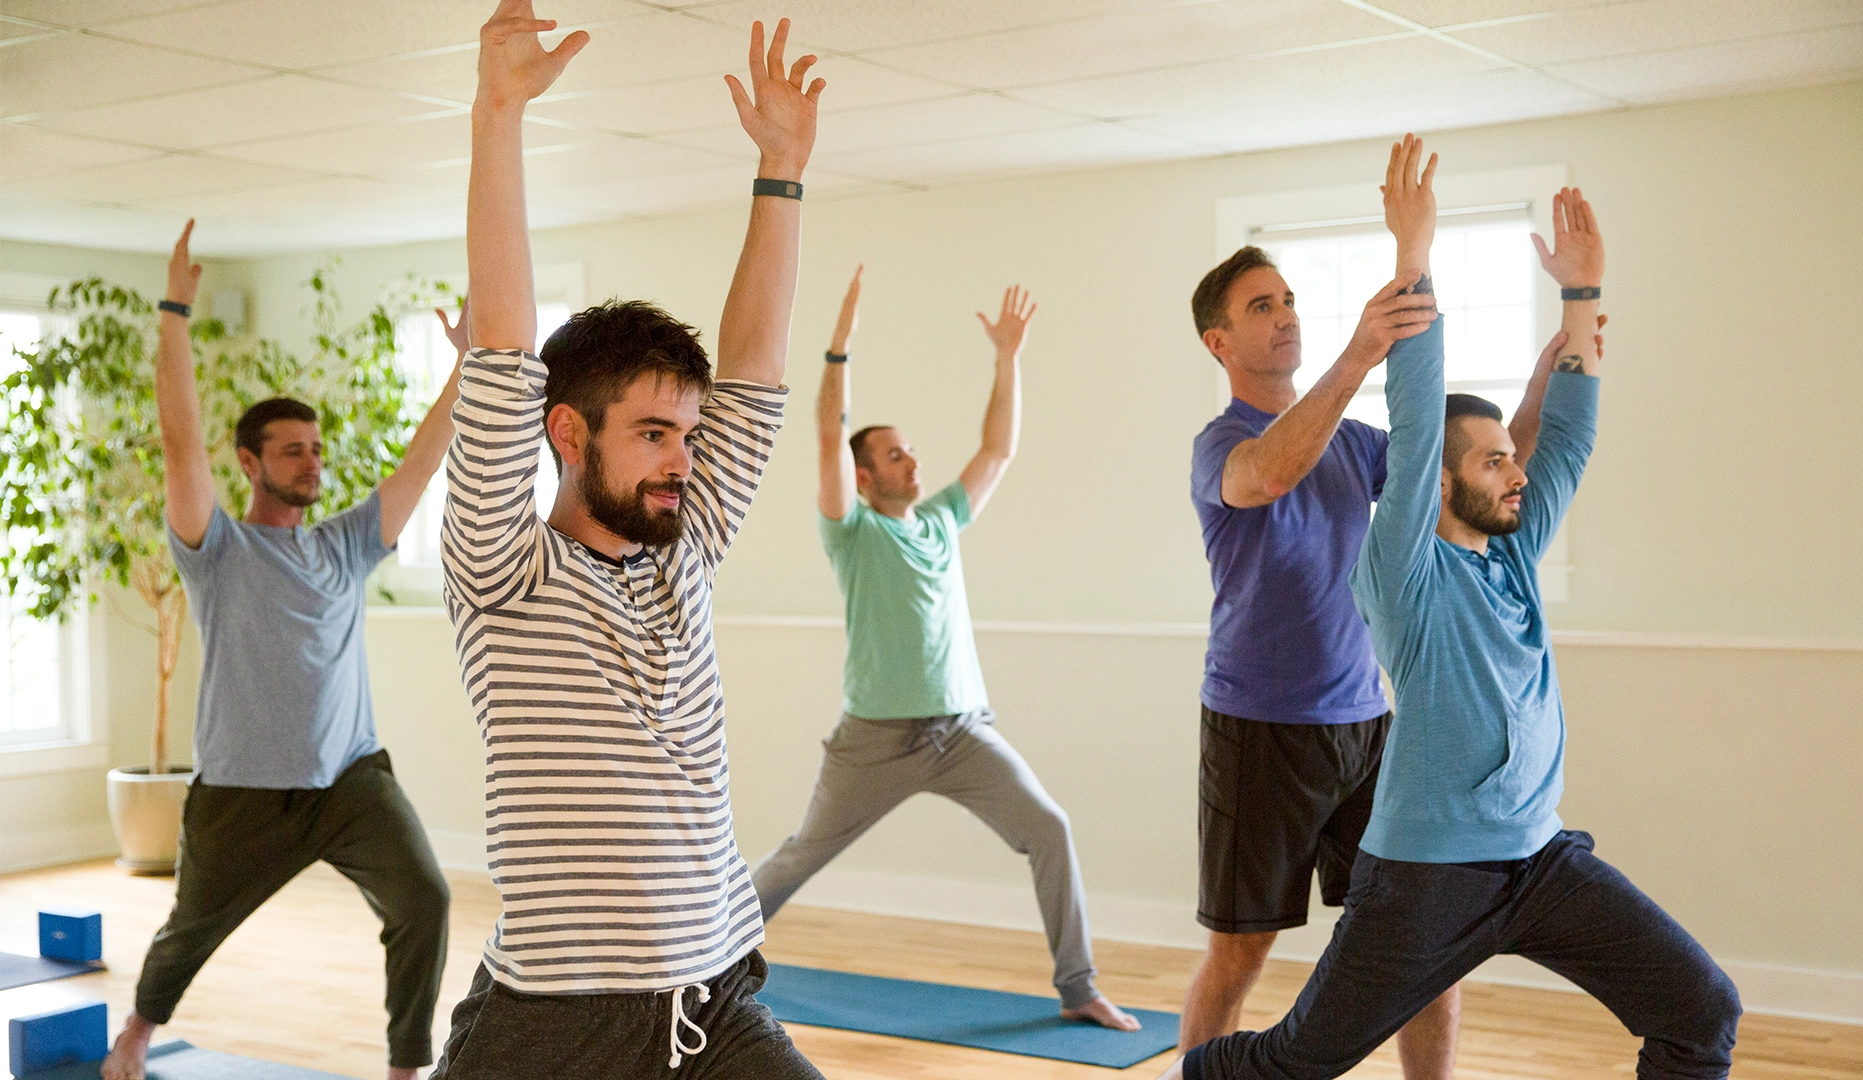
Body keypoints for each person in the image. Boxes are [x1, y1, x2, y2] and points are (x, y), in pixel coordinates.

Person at [1170, 139, 1741, 1079]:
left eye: (1289, 300)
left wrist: (1579, 314)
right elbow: (1298, 467)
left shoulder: (1466, 521)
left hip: (1429, 770)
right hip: (1270, 730)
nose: (1285, 317)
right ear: (1219, 340)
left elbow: (1522, 455)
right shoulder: (1234, 452)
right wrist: (1407, 270)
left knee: (1696, 1006)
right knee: (1259, 982)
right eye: (1260, 306)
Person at [427, 3, 826, 1076]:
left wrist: (780, 172)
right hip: (552, 1022)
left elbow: (753, 375)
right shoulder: (502, 573)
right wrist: (497, 116)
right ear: (569, 433)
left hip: (715, 997)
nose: (681, 459)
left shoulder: (684, 549)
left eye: (687, 436)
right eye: (653, 434)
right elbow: (506, 351)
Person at [102, 221, 463, 1080]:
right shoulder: (216, 548)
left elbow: (423, 457)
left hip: (350, 780)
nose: (311, 462)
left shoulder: (345, 544)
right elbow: (180, 440)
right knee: (191, 928)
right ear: (250, 462)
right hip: (242, 791)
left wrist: (467, 362)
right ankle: (134, 1040)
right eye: (291, 451)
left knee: (426, 898)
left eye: (315, 449)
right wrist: (175, 317)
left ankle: (407, 1067)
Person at [750, 268, 1140, 1031]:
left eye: (912, 452)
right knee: (797, 857)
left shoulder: (939, 523)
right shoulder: (853, 531)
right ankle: (704, 964)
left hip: (961, 732)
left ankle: (1078, 985)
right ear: (863, 479)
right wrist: (838, 350)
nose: (913, 463)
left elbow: (997, 449)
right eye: (895, 456)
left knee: (1049, 830)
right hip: (875, 741)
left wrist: (1008, 359)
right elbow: (827, 433)